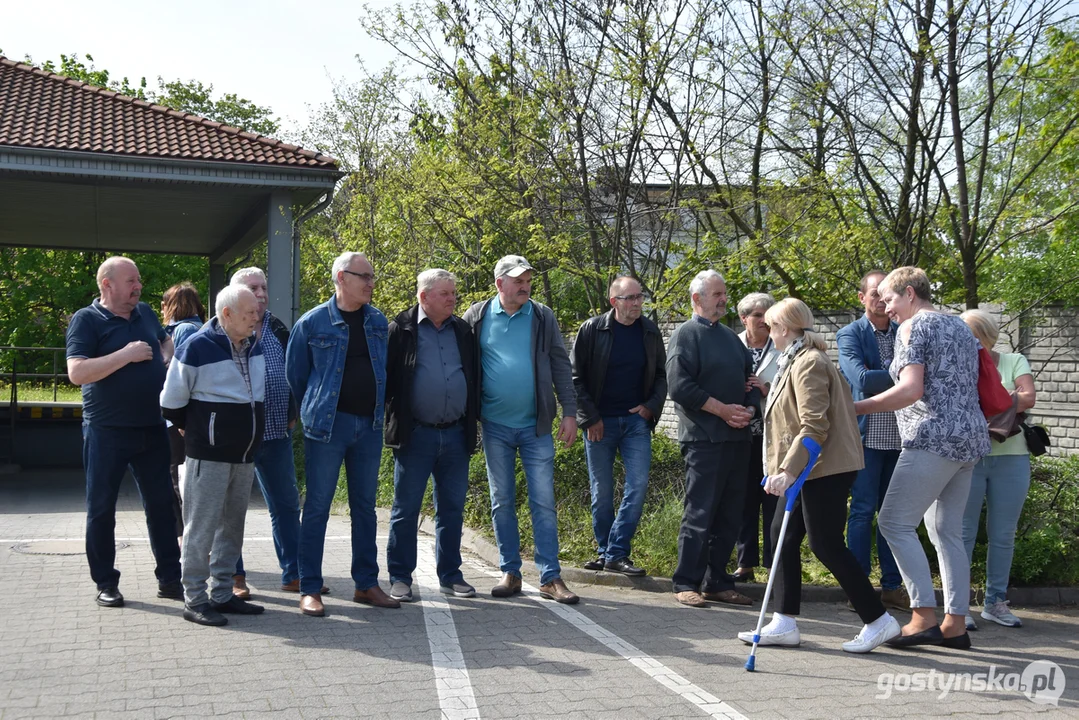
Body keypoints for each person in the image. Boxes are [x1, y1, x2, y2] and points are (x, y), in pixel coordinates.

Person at [736, 298, 901, 653]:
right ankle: (784, 621)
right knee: (781, 534)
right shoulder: (794, 359)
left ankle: (879, 620)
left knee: (824, 543)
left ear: (783, 328)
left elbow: (814, 426)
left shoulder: (808, 362)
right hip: (809, 468)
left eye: (771, 327)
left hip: (824, 468)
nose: (768, 334)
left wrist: (786, 471)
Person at [854, 267, 990, 650]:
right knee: (946, 532)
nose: (885, 306)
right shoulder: (961, 327)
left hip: (932, 437)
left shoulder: (913, 328)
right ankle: (955, 625)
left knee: (894, 522)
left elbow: (910, 390)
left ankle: (922, 616)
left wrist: (855, 408)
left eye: (890, 298)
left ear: (909, 293)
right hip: (970, 439)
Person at [461, 255, 581, 604]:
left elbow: (561, 364)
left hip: (537, 425)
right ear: (500, 283)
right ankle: (510, 572)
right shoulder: (478, 316)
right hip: (495, 425)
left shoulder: (542, 316)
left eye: (528, 279)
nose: (525, 285)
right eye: (518, 280)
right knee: (502, 500)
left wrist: (570, 412)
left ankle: (550, 577)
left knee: (543, 501)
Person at [286, 252, 399, 617]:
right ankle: (310, 587)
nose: (371, 283)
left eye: (372, 276)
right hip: (327, 428)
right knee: (317, 507)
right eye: (363, 276)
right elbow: (297, 378)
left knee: (365, 509)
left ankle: (366, 584)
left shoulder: (378, 321)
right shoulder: (313, 322)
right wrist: (315, 411)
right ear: (340, 277)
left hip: (368, 427)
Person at [65, 256, 182, 607]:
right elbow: (77, 372)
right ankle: (106, 582)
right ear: (107, 284)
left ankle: (170, 579)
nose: (138, 287)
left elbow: (166, 341)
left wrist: (165, 355)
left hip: (151, 426)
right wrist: (126, 354)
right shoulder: (86, 321)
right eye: (131, 281)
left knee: (162, 504)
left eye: (139, 281)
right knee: (101, 508)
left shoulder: (145, 312)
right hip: (107, 431)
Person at [160, 285, 266, 626]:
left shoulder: (255, 345)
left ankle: (222, 594)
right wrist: (198, 433)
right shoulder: (197, 347)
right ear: (227, 314)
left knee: (232, 527)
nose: (256, 316)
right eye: (249, 312)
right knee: (200, 528)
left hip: (244, 454)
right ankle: (194, 599)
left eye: (256, 311)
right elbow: (171, 401)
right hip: (208, 455)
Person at [384, 269, 479, 602]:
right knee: (405, 509)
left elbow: (473, 376)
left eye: (454, 293)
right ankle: (400, 577)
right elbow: (387, 382)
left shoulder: (463, 330)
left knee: (452, 509)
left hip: (455, 433)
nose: (453, 299)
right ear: (424, 297)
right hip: (416, 436)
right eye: (445, 294)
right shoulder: (401, 329)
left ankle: (451, 575)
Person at [666, 270, 758, 608]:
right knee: (700, 512)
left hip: (737, 438)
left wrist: (749, 408)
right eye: (716, 294)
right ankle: (685, 582)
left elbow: (750, 380)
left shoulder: (732, 339)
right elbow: (679, 387)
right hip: (704, 439)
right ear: (696, 299)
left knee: (730, 514)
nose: (723, 299)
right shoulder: (686, 336)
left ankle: (716, 581)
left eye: (724, 293)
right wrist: (720, 410)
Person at [571, 275, 667, 576]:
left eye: (640, 297)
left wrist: (650, 408)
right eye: (631, 298)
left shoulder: (650, 332)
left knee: (637, 487)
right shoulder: (592, 329)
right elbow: (575, 378)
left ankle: (616, 553)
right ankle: (605, 551)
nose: (638, 303)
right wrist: (590, 418)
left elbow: (663, 376)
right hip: (600, 423)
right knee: (601, 491)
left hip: (636, 422)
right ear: (615, 302)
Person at [227, 267, 312, 600]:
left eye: (263, 287)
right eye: (253, 288)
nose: (261, 294)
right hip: (236, 438)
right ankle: (234, 576)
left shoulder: (277, 327)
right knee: (231, 508)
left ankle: (293, 574)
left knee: (287, 506)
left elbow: (296, 372)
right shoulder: (222, 329)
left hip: (276, 433)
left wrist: (293, 414)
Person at [836, 270, 908, 610]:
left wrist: (904, 377)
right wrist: (906, 375)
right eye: (873, 294)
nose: (880, 300)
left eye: (885, 294)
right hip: (865, 438)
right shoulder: (850, 334)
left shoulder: (903, 331)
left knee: (893, 515)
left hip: (901, 438)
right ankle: (859, 587)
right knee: (863, 512)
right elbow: (862, 380)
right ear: (862, 297)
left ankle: (892, 586)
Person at [960, 309, 1036, 630]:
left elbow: (1028, 397)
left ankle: (995, 602)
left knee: (1003, 534)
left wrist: (988, 400)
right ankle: (958, 605)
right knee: (961, 534)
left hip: (1012, 457)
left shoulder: (1013, 360)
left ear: (987, 335)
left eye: (974, 336)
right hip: (970, 457)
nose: (969, 342)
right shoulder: (960, 365)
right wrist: (1006, 399)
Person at [732, 292, 780, 584]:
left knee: (773, 500)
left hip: (773, 437)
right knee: (744, 500)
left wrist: (767, 388)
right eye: (758, 315)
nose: (765, 320)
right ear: (744, 318)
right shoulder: (731, 345)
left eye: (769, 314)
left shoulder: (784, 345)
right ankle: (745, 563)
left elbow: (793, 385)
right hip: (740, 436)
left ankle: (776, 564)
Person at [160, 282, 206, 537]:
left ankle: (188, 540)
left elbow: (183, 375)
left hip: (180, 418)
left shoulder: (183, 331)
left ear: (171, 306)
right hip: (190, 417)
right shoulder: (201, 328)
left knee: (181, 479)